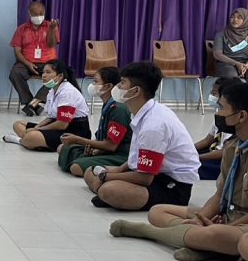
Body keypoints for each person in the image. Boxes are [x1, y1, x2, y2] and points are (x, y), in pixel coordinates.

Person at [110, 83, 248, 261]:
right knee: (158, 211)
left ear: (241, 116)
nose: (218, 113)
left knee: (228, 237)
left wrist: (229, 227)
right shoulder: (233, 146)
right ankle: (205, 244)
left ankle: (150, 233)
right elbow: (220, 194)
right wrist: (201, 219)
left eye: (221, 108)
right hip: (226, 215)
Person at [83, 62, 200, 211]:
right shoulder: (143, 111)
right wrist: (117, 171)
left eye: (122, 83)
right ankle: (107, 190)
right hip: (151, 173)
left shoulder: (154, 125)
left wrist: (106, 177)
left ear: (135, 91)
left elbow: (145, 178)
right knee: (91, 170)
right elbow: (137, 156)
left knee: (109, 189)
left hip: (171, 184)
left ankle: (106, 191)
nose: (117, 87)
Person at [57, 66, 133, 176]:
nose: (92, 85)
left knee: (76, 167)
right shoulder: (108, 105)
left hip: (119, 154)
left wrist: (78, 140)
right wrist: (96, 148)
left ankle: (113, 169)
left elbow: (111, 146)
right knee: (63, 148)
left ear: (108, 86)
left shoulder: (118, 109)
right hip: (106, 150)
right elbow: (103, 138)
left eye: (96, 81)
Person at [2, 60, 90, 150]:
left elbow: (62, 124)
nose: (43, 75)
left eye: (48, 72)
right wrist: (38, 126)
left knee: (31, 136)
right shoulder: (52, 91)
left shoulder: (68, 92)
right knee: (18, 124)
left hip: (74, 131)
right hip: (57, 125)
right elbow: (50, 118)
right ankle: (32, 141)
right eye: (43, 72)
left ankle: (20, 140)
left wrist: (38, 129)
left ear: (60, 76)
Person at [9, 1, 61, 117]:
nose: (38, 16)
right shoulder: (21, 29)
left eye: (41, 13)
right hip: (26, 62)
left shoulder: (51, 26)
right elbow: (17, 51)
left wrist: (52, 30)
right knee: (14, 73)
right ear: (29, 14)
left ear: (44, 13)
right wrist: (28, 63)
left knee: (58, 76)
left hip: (48, 62)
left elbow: (52, 44)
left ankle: (35, 102)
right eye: (35, 14)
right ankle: (30, 103)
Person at [195, 77, 241, 180]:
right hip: (213, 149)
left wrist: (197, 157)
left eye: (214, 94)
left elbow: (225, 152)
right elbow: (208, 140)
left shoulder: (233, 119)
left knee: (191, 165)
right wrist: (189, 149)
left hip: (222, 158)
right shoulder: (220, 113)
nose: (212, 96)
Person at [213, 8, 248, 85]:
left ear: (245, 20)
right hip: (226, 63)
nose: (235, 19)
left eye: (239, 17)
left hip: (247, 64)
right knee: (232, 77)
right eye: (232, 17)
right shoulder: (221, 34)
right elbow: (217, 54)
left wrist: (246, 65)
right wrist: (236, 64)